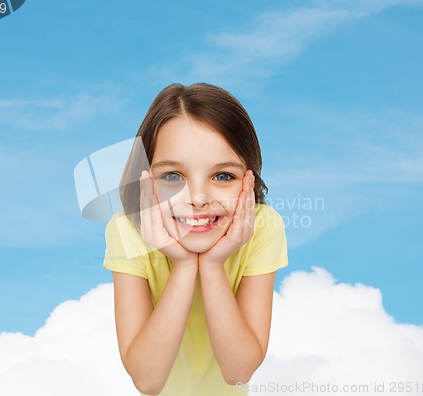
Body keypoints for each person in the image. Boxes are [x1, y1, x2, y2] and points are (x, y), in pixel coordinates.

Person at [103, 83, 288, 395]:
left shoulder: (263, 227)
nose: (198, 198)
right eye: (173, 177)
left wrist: (213, 266)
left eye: (223, 176)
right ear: (146, 179)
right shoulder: (127, 229)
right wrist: (185, 265)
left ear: (249, 179)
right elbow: (147, 381)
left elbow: (238, 372)